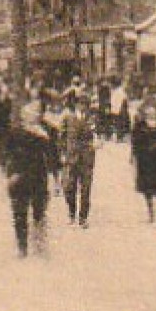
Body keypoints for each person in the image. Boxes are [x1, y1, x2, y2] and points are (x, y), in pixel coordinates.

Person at [3, 103, 57, 257]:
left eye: (35, 114)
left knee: (36, 213)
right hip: (22, 177)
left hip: (34, 178)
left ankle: (34, 246)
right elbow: (8, 155)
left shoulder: (44, 134)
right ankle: (25, 247)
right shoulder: (17, 133)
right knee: (22, 214)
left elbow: (52, 157)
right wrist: (9, 174)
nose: (33, 117)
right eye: (30, 114)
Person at [59, 95, 97, 228]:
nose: (83, 108)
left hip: (86, 159)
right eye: (81, 104)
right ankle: (71, 213)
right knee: (69, 188)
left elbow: (96, 136)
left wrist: (95, 144)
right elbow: (61, 137)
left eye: (86, 105)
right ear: (76, 105)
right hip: (71, 157)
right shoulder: (68, 118)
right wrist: (63, 153)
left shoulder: (91, 119)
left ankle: (83, 218)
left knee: (86, 189)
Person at [130, 106, 156, 223]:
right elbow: (135, 143)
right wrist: (134, 156)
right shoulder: (140, 126)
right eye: (149, 114)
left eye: (153, 114)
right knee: (147, 187)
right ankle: (151, 211)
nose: (151, 115)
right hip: (145, 161)